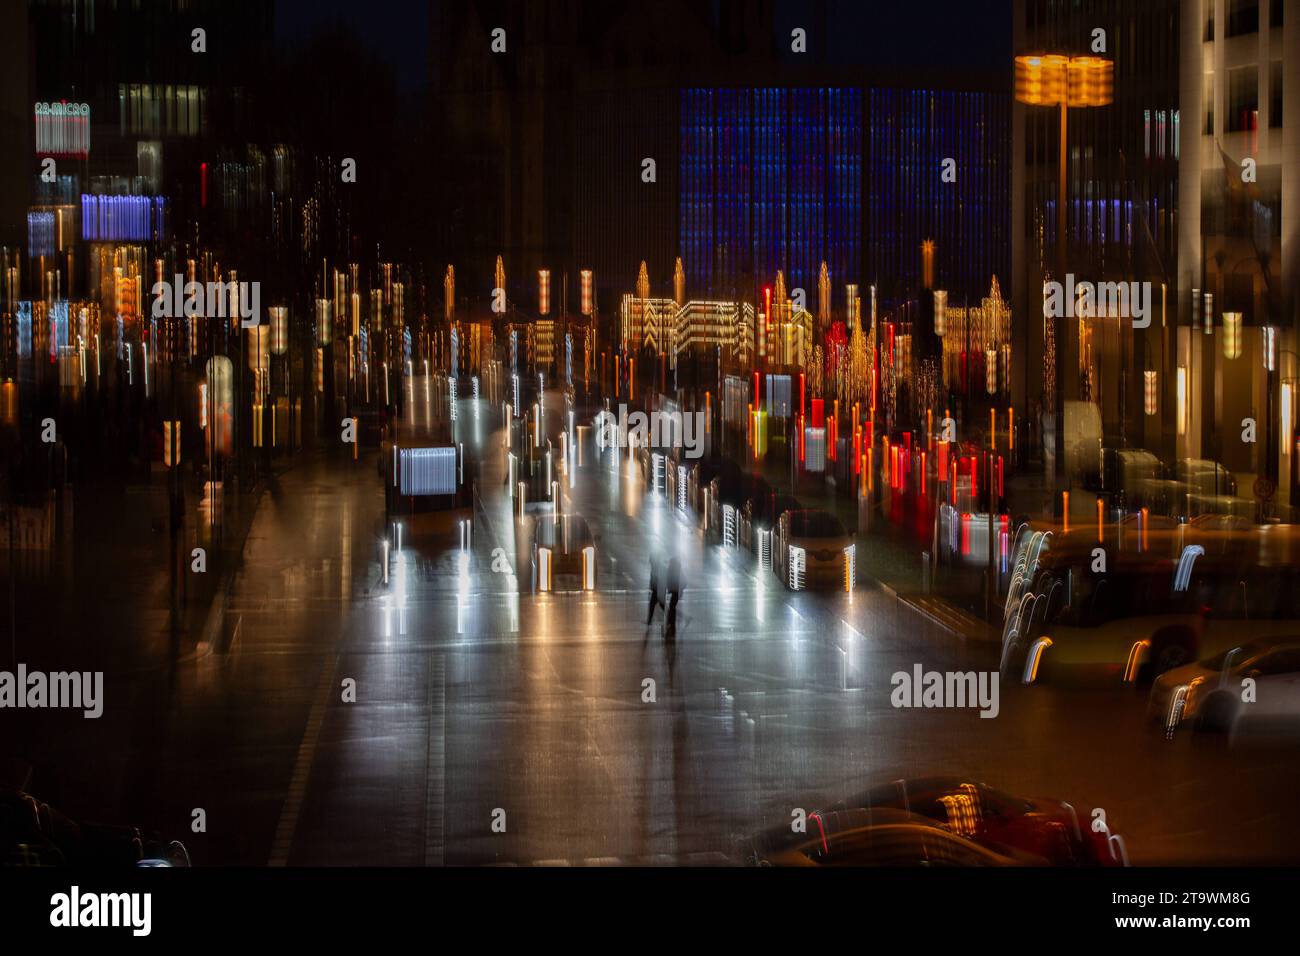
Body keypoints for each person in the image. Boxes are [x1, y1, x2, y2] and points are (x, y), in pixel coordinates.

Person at [664, 557, 682, 636]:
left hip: (675, 591)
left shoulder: (671, 570)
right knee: (672, 607)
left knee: (672, 608)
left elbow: (668, 579)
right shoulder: (677, 570)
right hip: (677, 591)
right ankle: (671, 623)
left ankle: (671, 624)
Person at [646, 557, 662, 625]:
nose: (650, 562)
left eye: (650, 560)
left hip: (657, 590)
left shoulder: (656, 567)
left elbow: (656, 579)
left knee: (652, 605)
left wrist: (653, 587)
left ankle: (649, 621)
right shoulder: (655, 567)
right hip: (657, 590)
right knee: (662, 606)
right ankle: (649, 620)